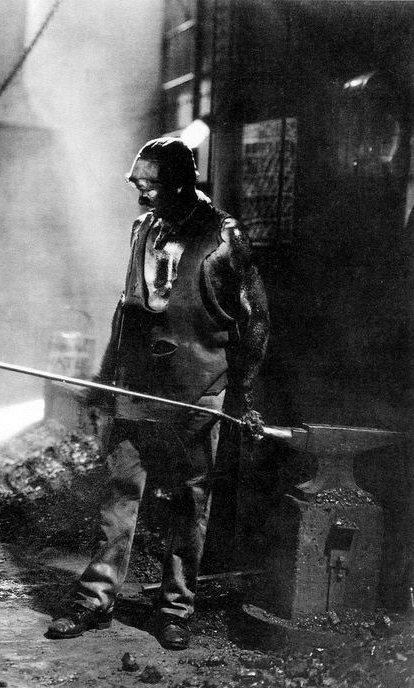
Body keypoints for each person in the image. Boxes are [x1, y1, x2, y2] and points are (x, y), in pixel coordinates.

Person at [47, 138, 269, 649]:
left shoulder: (223, 236)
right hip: (137, 386)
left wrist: (242, 392)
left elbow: (254, 320)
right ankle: (94, 599)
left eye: (150, 184)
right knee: (119, 494)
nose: (141, 193)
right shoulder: (143, 228)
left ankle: (175, 608)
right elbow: (127, 308)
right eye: (137, 184)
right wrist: (105, 378)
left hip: (196, 390)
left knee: (188, 502)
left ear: (181, 182)